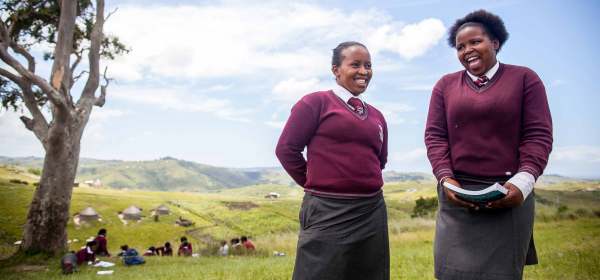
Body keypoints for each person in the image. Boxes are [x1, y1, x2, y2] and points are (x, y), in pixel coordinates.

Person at [424, 10, 553, 280]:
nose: (467, 50)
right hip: (456, 196)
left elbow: (538, 135)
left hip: (508, 194)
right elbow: (435, 137)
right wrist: (446, 179)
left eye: (475, 42)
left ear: (495, 42)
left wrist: (523, 182)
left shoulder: (525, 79)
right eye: (460, 46)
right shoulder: (445, 86)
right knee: (451, 274)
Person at [276, 41, 389, 280]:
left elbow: (379, 160)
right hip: (327, 210)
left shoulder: (377, 116)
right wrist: (317, 184)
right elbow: (286, 149)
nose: (364, 71)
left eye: (368, 65)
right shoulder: (314, 103)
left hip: (371, 211)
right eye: (355, 64)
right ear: (336, 70)